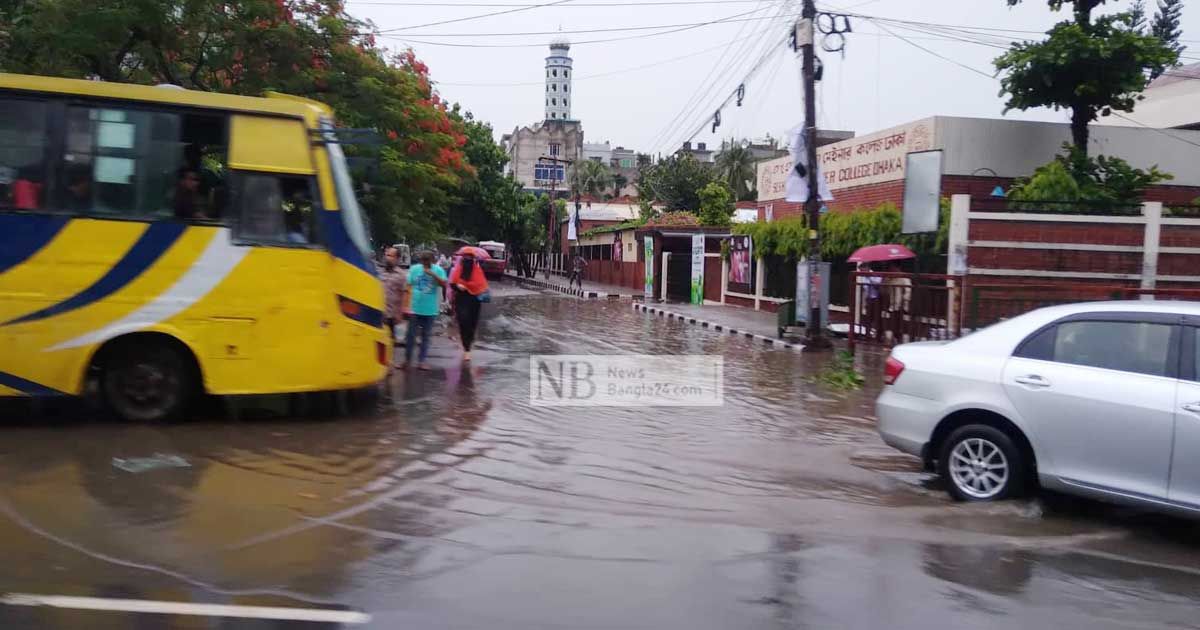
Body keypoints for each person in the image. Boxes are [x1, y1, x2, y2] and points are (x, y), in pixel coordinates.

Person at [403, 251, 447, 370]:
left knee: (425, 337)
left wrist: (433, 274)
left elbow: (444, 284)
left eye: (427, 261)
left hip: (430, 310)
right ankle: (407, 361)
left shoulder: (438, 270)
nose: (425, 263)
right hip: (415, 308)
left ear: (432, 261)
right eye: (423, 260)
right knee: (410, 336)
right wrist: (405, 305)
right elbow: (408, 286)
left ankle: (422, 361)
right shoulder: (414, 269)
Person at [449, 251, 490, 362]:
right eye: (466, 259)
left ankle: (468, 344)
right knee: (463, 321)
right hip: (461, 299)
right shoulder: (458, 270)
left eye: (470, 259)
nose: (468, 261)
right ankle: (466, 349)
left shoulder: (478, 271)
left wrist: (470, 286)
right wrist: (458, 286)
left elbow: (482, 285)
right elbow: (452, 284)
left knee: (472, 324)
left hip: (474, 300)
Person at [379, 247, 408, 357]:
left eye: (390, 256)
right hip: (378, 311)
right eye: (386, 255)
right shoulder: (379, 272)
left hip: (391, 314)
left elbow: (404, 294)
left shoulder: (401, 275)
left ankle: (389, 363)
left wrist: (400, 313)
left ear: (397, 258)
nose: (387, 258)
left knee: (390, 340)